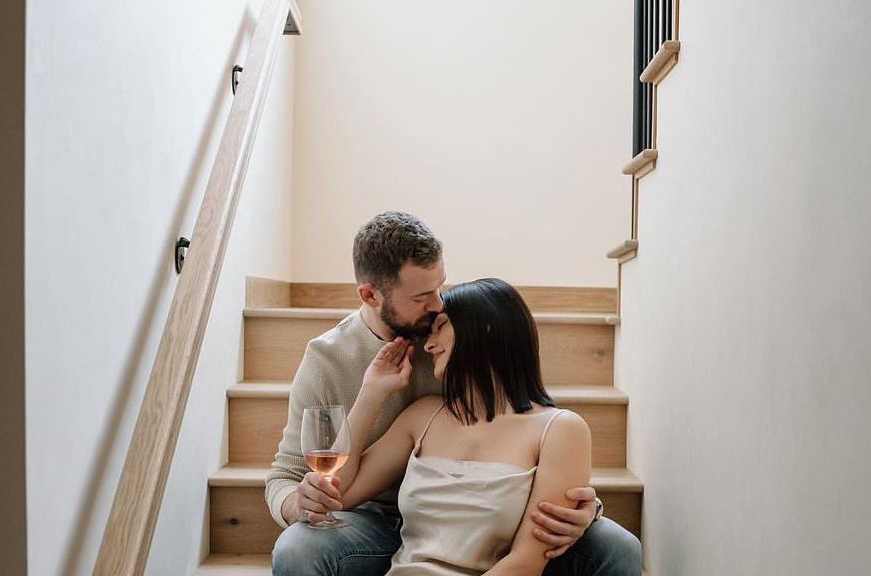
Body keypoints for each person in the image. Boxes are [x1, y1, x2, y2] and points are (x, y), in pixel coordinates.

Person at [266, 211, 641, 575]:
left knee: (615, 544)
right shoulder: (331, 362)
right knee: (299, 546)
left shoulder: (472, 364)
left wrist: (582, 507)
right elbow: (296, 477)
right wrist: (370, 394)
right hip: (374, 524)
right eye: (421, 297)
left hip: (490, 528)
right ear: (370, 295)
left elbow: (525, 428)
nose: (437, 305)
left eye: (440, 288)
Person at [336, 277, 593, 574]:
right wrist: (372, 393)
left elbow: (526, 562)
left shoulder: (560, 430)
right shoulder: (423, 416)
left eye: (441, 326)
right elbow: (339, 494)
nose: (429, 345)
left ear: (486, 328)